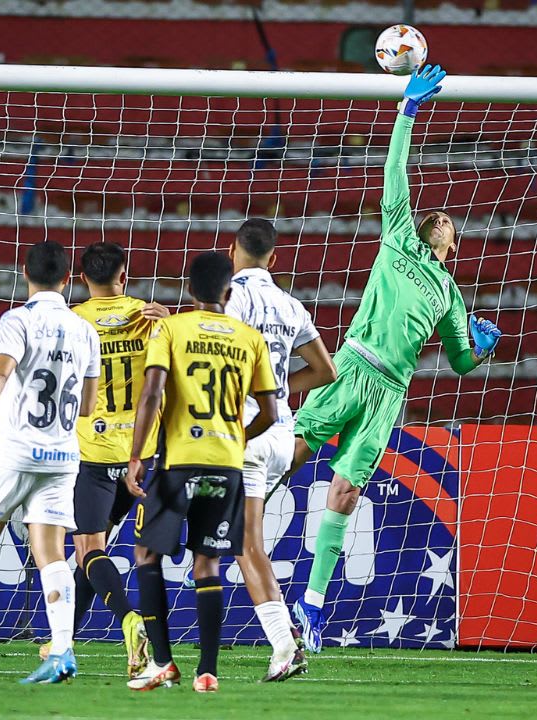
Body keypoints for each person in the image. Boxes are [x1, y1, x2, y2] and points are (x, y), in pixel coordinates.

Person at [286, 64, 504, 652]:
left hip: (388, 394)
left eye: (450, 223)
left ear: (452, 244)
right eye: (438, 216)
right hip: (350, 366)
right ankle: (232, 508)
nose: (442, 219)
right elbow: (394, 171)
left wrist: (479, 348)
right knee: (291, 454)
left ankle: (310, 607)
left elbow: (460, 364)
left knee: (345, 493)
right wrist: (407, 112)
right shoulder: (399, 235)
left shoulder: (452, 294)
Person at [0, 240, 100, 684]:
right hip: (62, 455)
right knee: (52, 553)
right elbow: (88, 404)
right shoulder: (85, 329)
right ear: (68, 278)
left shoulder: (18, 319)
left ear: (25, 274)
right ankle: (62, 651)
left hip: (12, 451)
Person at [123, 251, 280, 693]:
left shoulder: (171, 328)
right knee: (207, 562)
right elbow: (270, 411)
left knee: (147, 555)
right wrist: (236, 439)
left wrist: (137, 456)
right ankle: (207, 671)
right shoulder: (249, 338)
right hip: (228, 464)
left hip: (178, 461)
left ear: (189, 290)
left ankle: (164, 663)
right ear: (228, 294)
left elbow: (152, 393)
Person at [225, 218, 336, 680]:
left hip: (246, 432)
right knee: (241, 541)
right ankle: (283, 636)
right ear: (274, 258)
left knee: (246, 544)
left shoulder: (233, 298)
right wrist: (279, 388)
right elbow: (326, 370)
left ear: (233, 250)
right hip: (281, 436)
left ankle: (283, 645)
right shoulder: (291, 305)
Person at [64, 241, 167, 678]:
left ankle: (128, 618)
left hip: (94, 452)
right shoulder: (152, 316)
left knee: (88, 548)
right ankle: (62, 639)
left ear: (83, 278)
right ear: (123, 276)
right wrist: (172, 321)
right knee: (95, 549)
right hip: (144, 454)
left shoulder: (72, 322)